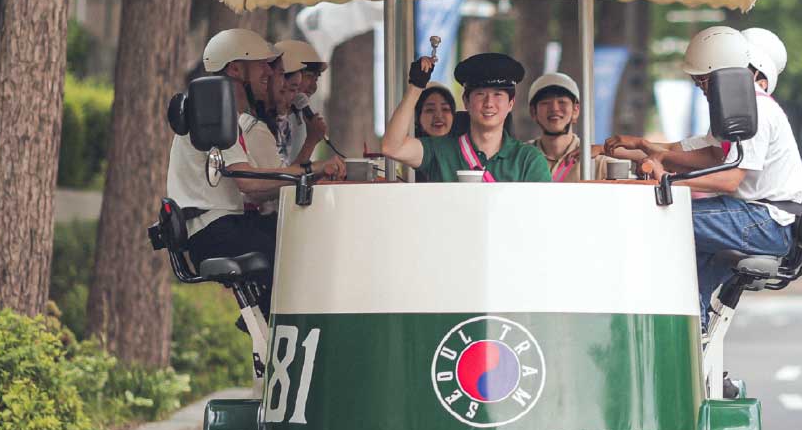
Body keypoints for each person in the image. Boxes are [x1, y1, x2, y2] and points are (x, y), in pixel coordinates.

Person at [608, 26, 802, 329]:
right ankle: (695, 342)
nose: (700, 86)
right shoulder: (736, 110)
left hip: (764, 221)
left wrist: (666, 182)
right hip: (755, 216)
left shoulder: (757, 112)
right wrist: (652, 151)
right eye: (696, 79)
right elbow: (712, 157)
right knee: (688, 276)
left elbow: (729, 180)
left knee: (662, 221)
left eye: (703, 79)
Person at [166, 29, 345, 309]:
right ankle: (291, 329)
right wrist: (313, 169)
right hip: (214, 230)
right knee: (299, 253)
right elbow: (248, 182)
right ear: (236, 68)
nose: (269, 71)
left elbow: (254, 185)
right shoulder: (212, 111)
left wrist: (309, 170)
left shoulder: (225, 113)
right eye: (261, 64)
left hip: (224, 224)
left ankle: (281, 328)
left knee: (310, 240)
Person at [382, 52, 551, 182]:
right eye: (480, 94)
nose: (489, 103)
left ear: (511, 103)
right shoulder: (441, 151)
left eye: (498, 95)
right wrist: (416, 87)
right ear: (466, 102)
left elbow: (538, 216)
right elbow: (392, 147)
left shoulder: (529, 160)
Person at [524, 72, 609, 182]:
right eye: (545, 103)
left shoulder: (596, 160)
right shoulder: (521, 157)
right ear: (533, 112)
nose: (554, 108)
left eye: (562, 102)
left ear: (576, 110)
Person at [274, 39, 329, 164]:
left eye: (316, 79)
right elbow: (280, 179)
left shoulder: (284, 121)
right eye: (309, 76)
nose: (313, 87)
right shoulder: (263, 122)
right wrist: (311, 141)